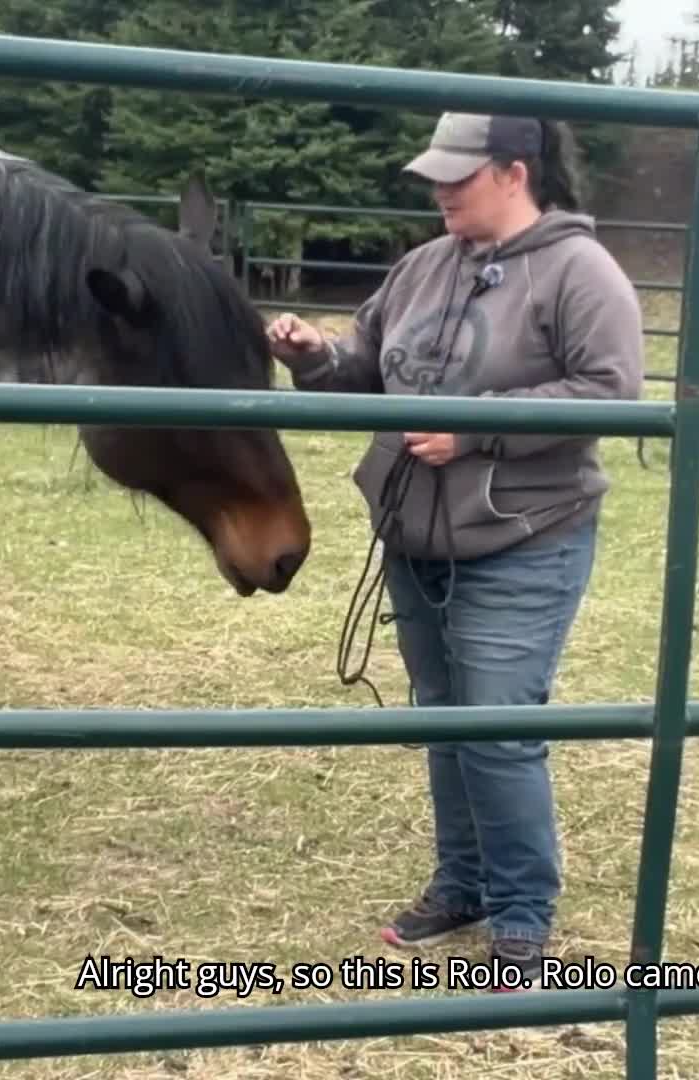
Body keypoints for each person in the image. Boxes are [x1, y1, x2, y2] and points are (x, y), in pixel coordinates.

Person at [265, 112, 645, 989]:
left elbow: (610, 392)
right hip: (415, 533)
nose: (439, 189)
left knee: (500, 731)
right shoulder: (423, 265)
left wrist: (475, 433)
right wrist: (314, 356)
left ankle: (520, 912)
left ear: (515, 173)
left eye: (458, 176)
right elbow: (368, 366)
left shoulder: (581, 272)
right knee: (444, 718)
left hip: (521, 537)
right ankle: (465, 885)